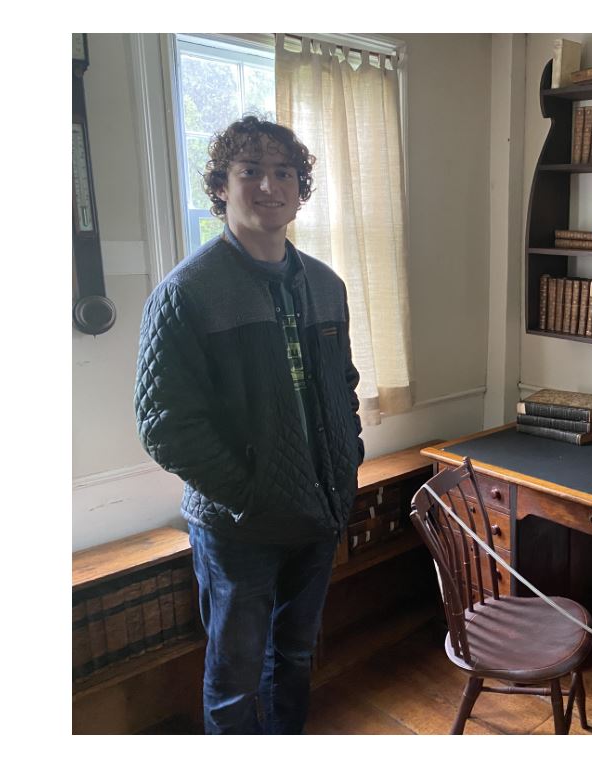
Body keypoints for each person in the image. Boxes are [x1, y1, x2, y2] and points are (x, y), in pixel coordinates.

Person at [135, 115, 364, 734]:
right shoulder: (187, 292)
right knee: (235, 678)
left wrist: (347, 463)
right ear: (221, 185)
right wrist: (251, 493)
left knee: (293, 657)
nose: (270, 185)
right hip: (240, 528)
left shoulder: (325, 284)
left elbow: (343, 387)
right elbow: (165, 423)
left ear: (300, 187)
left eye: (284, 172)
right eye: (250, 170)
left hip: (318, 513)